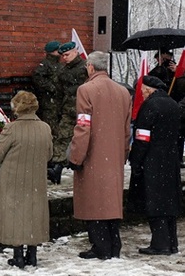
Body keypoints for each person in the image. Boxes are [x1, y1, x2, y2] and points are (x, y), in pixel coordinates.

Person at [68, 51, 132, 260]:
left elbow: (83, 126)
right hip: (114, 155)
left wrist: (76, 157)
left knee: (93, 203)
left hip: (93, 154)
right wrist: (122, 154)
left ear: (91, 67)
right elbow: (126, 130)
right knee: (111, 202)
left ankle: (100, 246)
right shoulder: (123, 92)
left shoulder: (85, 90)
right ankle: (114, 244)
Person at [0, 91, 52, 269]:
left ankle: (18, 256)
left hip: (13, 179)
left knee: (15, 214)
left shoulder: (12, 128)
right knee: (34, 213)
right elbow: (49, 155)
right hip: (36, 179)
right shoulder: (45, 128)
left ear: (17, 107)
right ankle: (32, 255)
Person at [128, 75, 181, 255]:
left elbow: (142, 137)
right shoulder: (173, 104)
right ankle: (172, 243)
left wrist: (136, 160)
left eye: (142, 90)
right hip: (171, 159)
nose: (141, 93)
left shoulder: (150, 106)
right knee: (169, 202)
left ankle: (160, 244)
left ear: (149, 89)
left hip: (153, 160)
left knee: (155, 201)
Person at [49, 41, 87, 184]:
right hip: (68, 110)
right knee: (62, 137)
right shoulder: (63, 71)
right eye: (63, 55)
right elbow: (59, 92)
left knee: (83, 138)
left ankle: (79, 165)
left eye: (67, 54)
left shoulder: (86, 68)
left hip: (84, 111)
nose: (64, 58)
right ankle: (57, 168)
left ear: (75, 52)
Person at [32, 40, 62, 139]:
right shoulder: (45, 64)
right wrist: (51, 88)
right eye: (58, 50)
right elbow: (38, 78)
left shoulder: (59, 64)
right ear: (53, 51)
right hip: (49, 102)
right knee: (50, 127)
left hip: (59, 101)